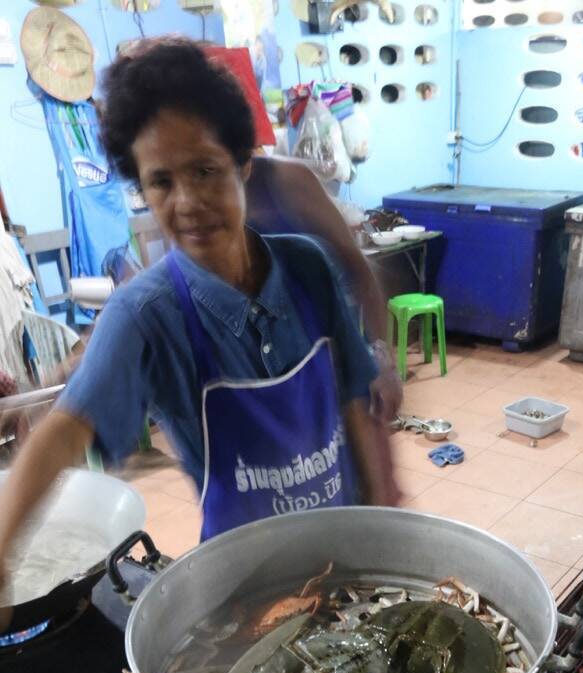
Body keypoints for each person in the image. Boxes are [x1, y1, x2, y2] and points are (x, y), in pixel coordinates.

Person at [0, 38, 399, 606]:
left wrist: (386, 526)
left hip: (349, 558)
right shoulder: (145, 314)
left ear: (243, 164)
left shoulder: (306, 268)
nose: (187, 201)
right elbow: (64, 432)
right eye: (161, 181)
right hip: (248, 591)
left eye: (206, 170)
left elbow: (356, 403)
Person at [245, 153, 403, 421]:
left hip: (329, 355)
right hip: (265, 374)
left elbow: (361, 268)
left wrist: (383, 362)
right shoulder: (201, 205)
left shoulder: (287, 179)